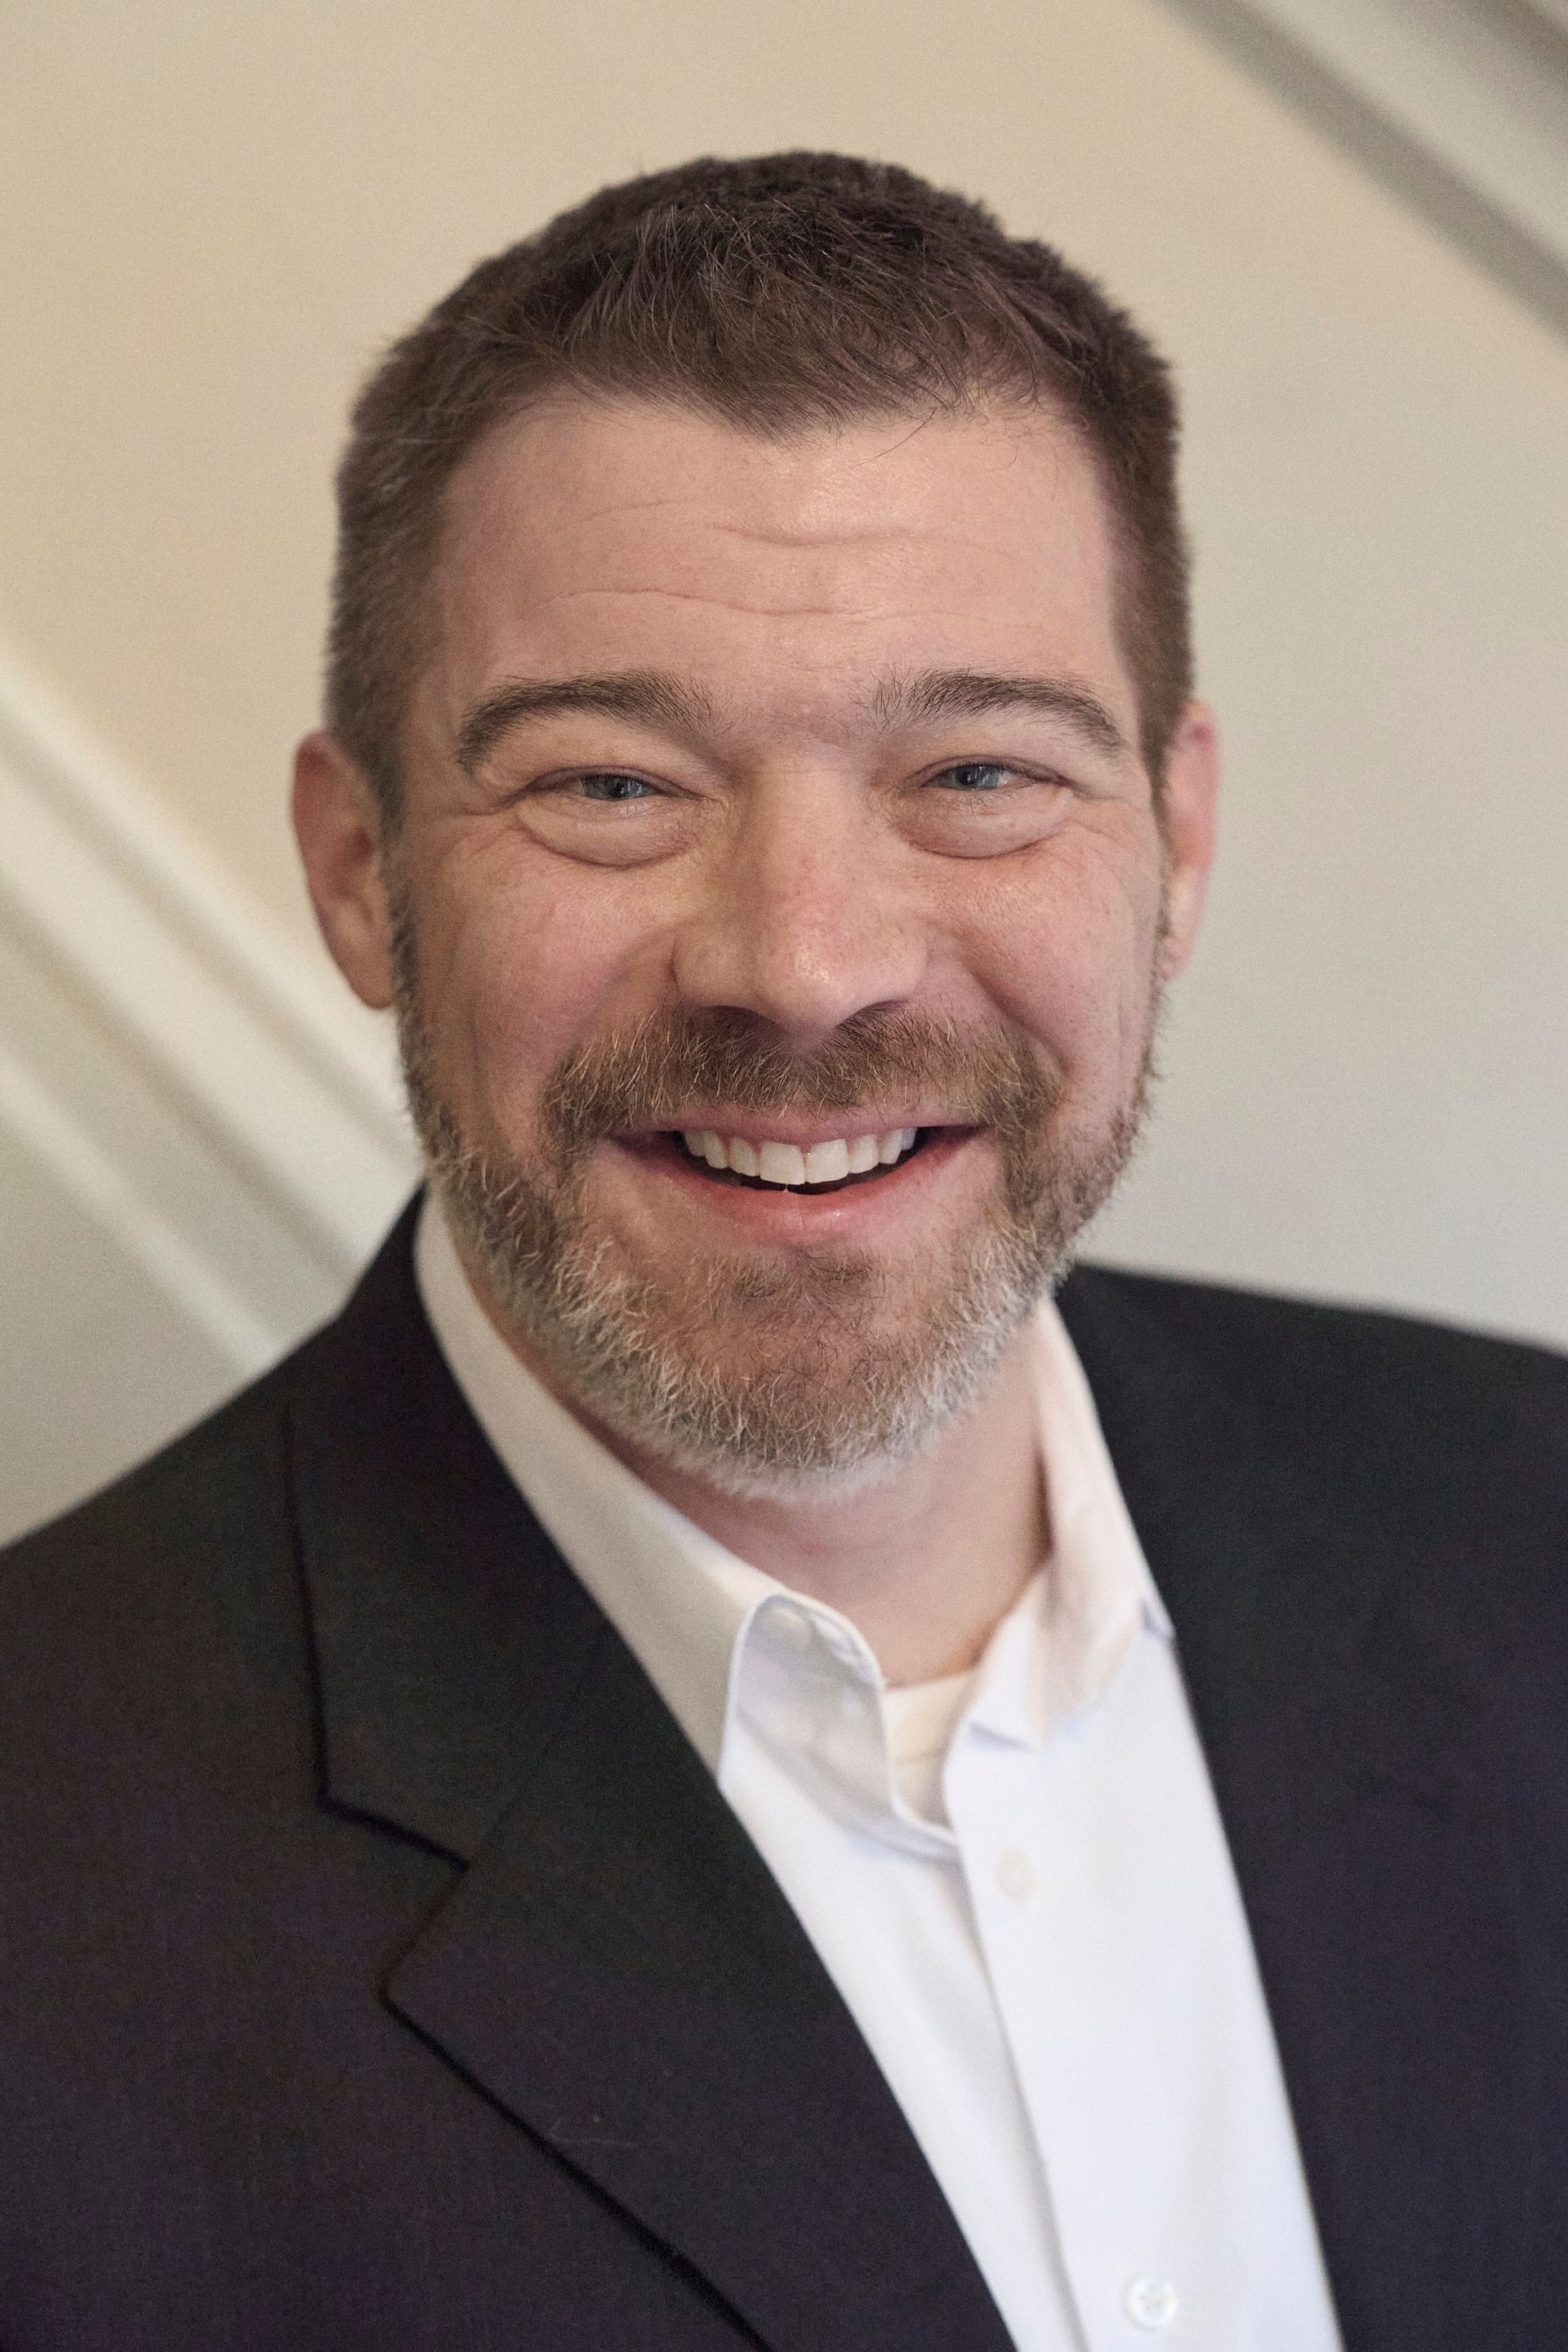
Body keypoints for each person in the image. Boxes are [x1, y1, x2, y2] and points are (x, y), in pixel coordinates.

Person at [1, 151, 1564, 2352]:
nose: (808, 969)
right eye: (614, 786)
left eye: (981, 773)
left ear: (1176, 843)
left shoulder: (1530, 1517)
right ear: (361, 873)